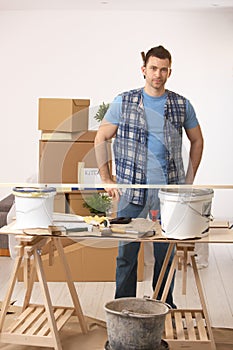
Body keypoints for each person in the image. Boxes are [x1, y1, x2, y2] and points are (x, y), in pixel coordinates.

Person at [94, 45, 203, 308]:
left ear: (170, 72)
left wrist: (187, 182)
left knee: (165, 253)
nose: (158, 74)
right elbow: (101, 137)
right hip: (132, 190)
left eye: (163, 69)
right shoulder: (124, 101)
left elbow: (197, 140)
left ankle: (163, 305)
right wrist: (107, 179)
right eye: (153, 68)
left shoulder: (181, 104)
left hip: (169, 193)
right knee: (127, 253)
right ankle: (124, 306)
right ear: (144, 70)